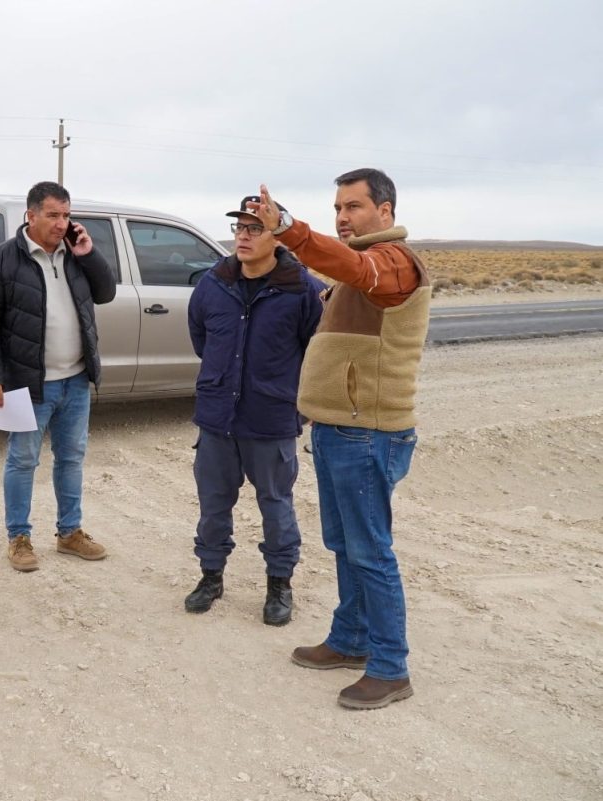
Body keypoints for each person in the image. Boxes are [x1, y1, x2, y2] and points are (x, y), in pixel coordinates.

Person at [253, 169, 431, 710]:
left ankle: (390, 666)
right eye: (338, 207)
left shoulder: (392, 263)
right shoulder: (361, 269)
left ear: (386, 211)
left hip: (368, 432)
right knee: (344, 543)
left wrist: (286, 227)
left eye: (354, 206)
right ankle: (350, 639)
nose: (343, 216)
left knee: (370, 550)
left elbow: (351, 263)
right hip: (338, 427)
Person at [184, 196, 324, 624]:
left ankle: (279, 585)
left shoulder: (304, 290)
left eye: (255, 227)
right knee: (212, 507)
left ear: (275, 235)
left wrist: (297, 400)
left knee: (276, 506)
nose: (243, 236)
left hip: (271, 419)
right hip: (217, 419)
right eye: (239, 228)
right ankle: (211, 577)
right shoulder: (213, 283)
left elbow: (316, 353)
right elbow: (201, 338)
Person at [0, 181, 117, 571]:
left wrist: (88, 253)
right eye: (53, 215)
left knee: (71, 459)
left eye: (67, 215)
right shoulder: (0, 260)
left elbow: (105, 293)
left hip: (75, 379)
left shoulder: (75, 255)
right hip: (29, 382)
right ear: (30, 215)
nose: (61, 223)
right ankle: (18, 537)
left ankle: (70, 533)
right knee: (22, 461)